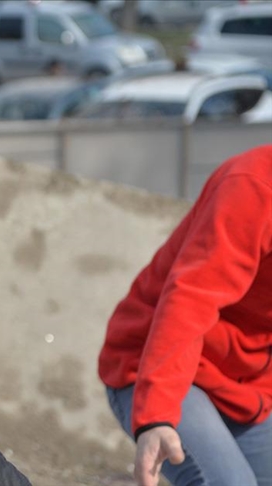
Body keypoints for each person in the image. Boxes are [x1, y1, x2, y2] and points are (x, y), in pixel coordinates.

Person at [98, 145, 272, 486]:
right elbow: (191, 301)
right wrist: (156, 418)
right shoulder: (253, 184)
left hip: (246, 383)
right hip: (160, 366)